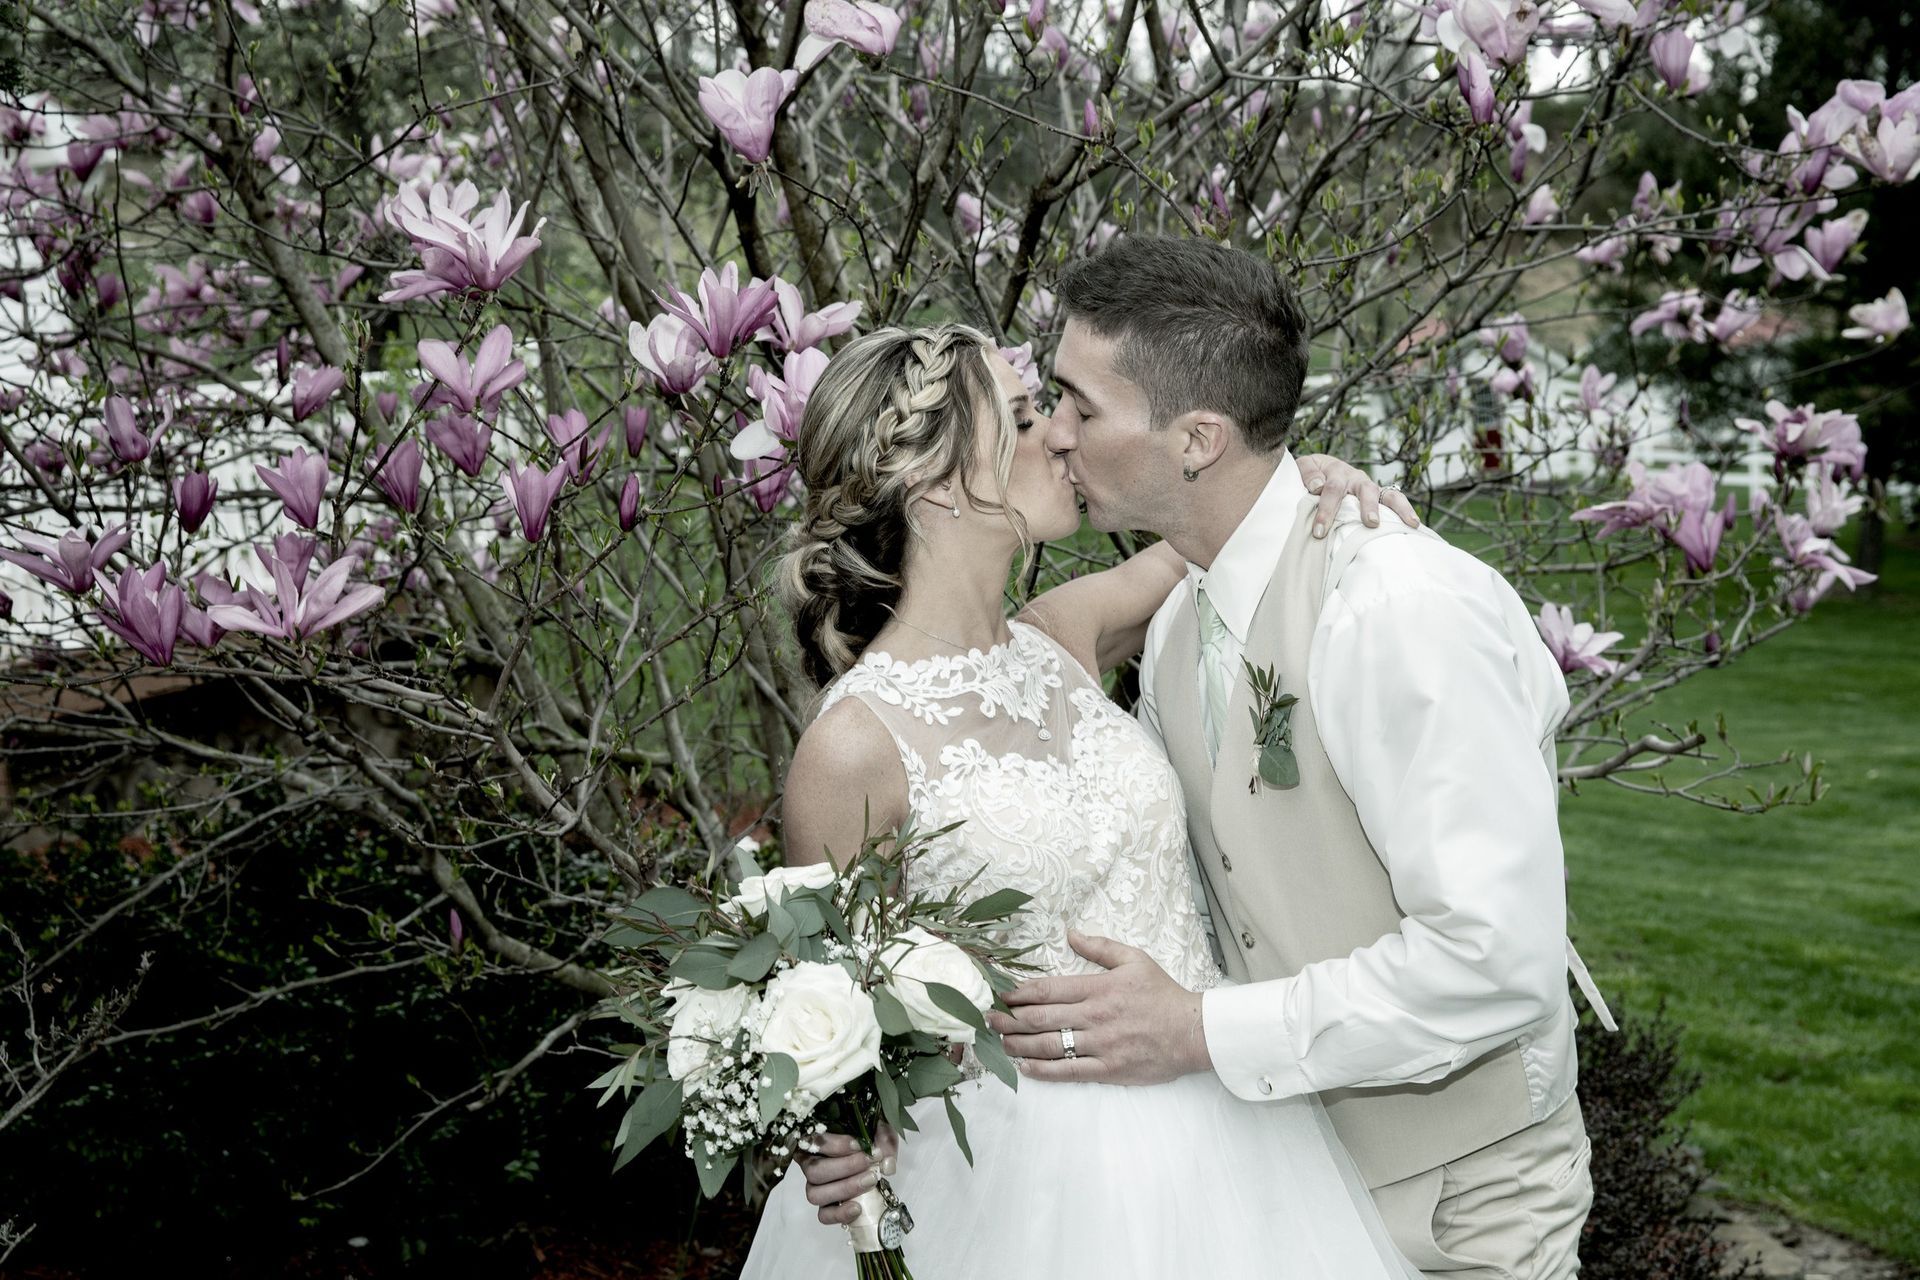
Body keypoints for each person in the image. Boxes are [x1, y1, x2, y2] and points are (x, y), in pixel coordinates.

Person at [738, 320, 1425, 1278]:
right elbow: (822, 1008)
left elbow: (1230, 525)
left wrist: (1318, 476)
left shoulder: (1062, 632)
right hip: (1017, 1193)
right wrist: (833, 1139)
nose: (1059, 435)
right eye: (1023, 417)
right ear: (938, 484)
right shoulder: (852, 748)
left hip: (1230, 1143)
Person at [983, 234, 1614, 1280]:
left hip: (1464, 1207)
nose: (1053, 436)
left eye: (1080, 406)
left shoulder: (1395, 606)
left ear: (1196, 439)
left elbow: (1494, 957)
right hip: (1280, 1190)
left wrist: (1198, 1030)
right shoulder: (1184, 615)